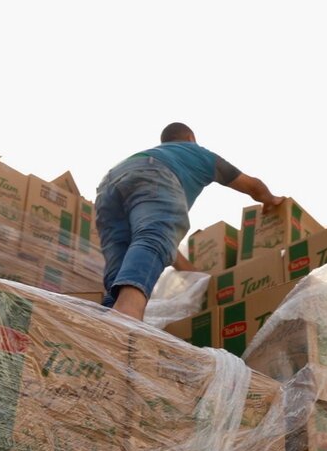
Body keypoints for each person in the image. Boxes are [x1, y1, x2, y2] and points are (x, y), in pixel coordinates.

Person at [94, 122, 284, 320]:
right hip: (154, 172)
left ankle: (108, 316)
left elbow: (163, 249)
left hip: (108, 186)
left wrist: (197, 277)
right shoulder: (196, 152)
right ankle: (128, 313)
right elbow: (252, 185)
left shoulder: (157, 152)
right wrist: (270, 199)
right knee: (154, 236)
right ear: (190, 138)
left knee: (122, 254)